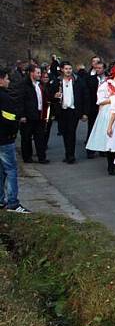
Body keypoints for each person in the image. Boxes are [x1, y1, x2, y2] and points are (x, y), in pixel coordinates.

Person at [0, 68, 29, 213]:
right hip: (5, 139)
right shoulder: (4, 97)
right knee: (11, 170)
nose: (8, 81)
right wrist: (14, 130)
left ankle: (0, 200)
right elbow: (9, 118)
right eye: (6, 78)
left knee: (1, 170)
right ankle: (12, 203)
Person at [86, 64, 115, 169]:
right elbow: (100, 101)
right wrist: (114, 99)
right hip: (108, 112)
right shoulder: (106, 85)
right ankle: (110, 164)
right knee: (110, 138)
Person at [49, 61, 88, 164]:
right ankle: (68, 154)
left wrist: (84, 113)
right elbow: (50, 95)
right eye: (66, 69)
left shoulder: (78, 80)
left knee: (71, 132)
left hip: (74, 110)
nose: (68, 71)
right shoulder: (57, 81)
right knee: (64, 132)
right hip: (62, 110)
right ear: (62, 69)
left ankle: (71, 156)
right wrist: (54, 96)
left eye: (70, 69)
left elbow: (85, 96)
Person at [18, 63, 49, 164]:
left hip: (39, 115)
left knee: (40, 137)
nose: (40, 75)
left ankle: (42, 157)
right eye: (38, 73)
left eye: (40, 73)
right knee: (26, 138)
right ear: (32, 73)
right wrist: (22, 115)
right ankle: (27, 157)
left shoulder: (40, 85)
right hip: (28, 115)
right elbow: (21, 100)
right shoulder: (24, 84)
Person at [85, 58, 106, 157]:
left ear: (104, 69)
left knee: (103, 128)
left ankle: (102, 149)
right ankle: (90, 150)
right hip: (93, 107)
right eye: (97, 68)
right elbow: (88, 95)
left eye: (100, 68)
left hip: (104, 107)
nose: (98, 70)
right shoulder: (90, 79)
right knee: (92, 128)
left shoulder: (108, 80)